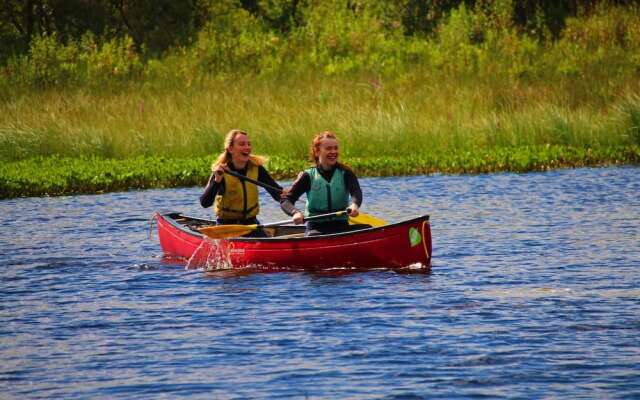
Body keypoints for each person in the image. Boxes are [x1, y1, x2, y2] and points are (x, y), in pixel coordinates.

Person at [280, 130, 370, 236]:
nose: (333, 152)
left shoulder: (345, 173)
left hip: (341, 226)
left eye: (335, 148)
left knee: (368, 229)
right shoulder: (308, 176)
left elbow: (356, 192)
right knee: (314, 236)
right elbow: (286, 200)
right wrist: (295, 213)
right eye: (328, 148)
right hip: (316, 229)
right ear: (317, 152)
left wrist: (354, 205)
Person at [200, 129, 283, 237]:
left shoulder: (256, 168)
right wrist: (217, 181)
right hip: (227, 227)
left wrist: (294, 208)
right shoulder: (221, 171)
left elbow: (278, 194)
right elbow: (205, 203)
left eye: (249, 144)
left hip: (250, 224)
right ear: (230, 149)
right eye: (242, 144)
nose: (247, 147)